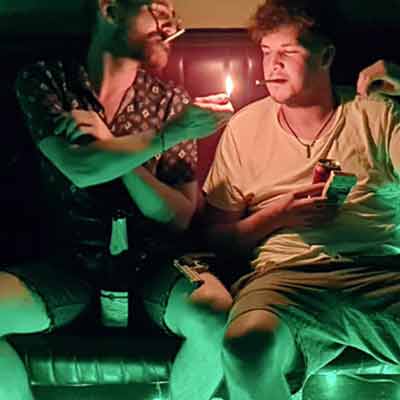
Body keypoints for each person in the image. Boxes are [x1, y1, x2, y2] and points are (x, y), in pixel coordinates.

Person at [0, 1, 232, 400]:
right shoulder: (47, 80)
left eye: (173, 14)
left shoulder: (170, 102)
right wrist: (165, 137)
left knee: (216, 319)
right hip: (67, 265)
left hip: (153, 265)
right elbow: (80, 168)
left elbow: (177, 216)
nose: (170, 25)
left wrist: (114, 147)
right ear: (110, 10)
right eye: (158, 9)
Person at [202, 1, 400, 399]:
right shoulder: (244, 128)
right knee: (245, 349)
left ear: (325, 56)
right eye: (266, 52)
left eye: (288, 52)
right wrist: (277, 216)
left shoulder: (375, 115)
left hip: (377, 271)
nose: (273, 65)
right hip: (285, 279)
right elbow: (216, 239)